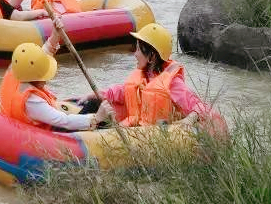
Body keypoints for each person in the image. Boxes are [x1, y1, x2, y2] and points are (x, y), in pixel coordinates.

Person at [72, 24, 222, 129]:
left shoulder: (173, 83)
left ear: (152, 56)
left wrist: (189, 119)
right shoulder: (144, 74)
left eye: (138, 49)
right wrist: (96, 94)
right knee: (93, 104)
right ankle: (69, 131)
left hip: (149, 133)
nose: (135, 54)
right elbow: (123, 91)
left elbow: (199, 106)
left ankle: (72, 137)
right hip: (132, 126)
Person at [0, 42, 114, 131]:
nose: (46, 81)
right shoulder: (32, 101)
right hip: (51, 133)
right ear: (34, 78)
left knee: (94, 103)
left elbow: (36, 59)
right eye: (44, 77)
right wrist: (96, 118)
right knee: (95, 104)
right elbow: (63, 121)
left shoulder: (15, 72)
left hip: (29, 120)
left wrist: (54, 37)